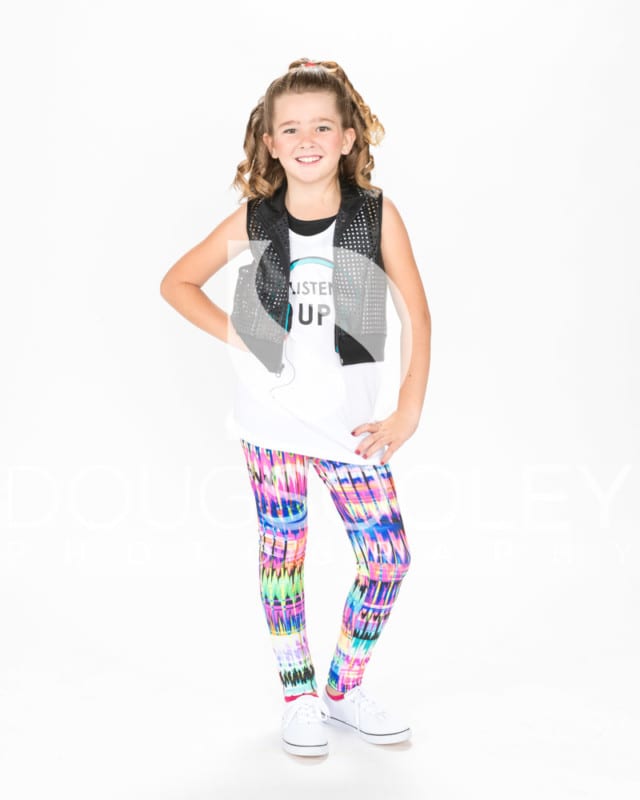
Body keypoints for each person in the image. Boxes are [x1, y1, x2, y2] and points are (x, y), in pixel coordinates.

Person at [160, 58, 431, 758]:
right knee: (284, 557)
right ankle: (299, 696)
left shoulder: (375, 215)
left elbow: (416, 313)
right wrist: (241, 334)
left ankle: (343, 689)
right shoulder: (256, 219)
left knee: (388, 559)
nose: (306, 139)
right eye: (290, 129)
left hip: (349, 426)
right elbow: (178, 282)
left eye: (321, 126)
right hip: (271, 420)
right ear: (270, 143)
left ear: (348, 138)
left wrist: (407, 408)